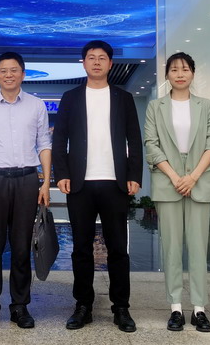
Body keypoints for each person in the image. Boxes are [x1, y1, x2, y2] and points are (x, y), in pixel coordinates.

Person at [52, 40, 143, 333]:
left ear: (110, 64)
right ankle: (83, 306)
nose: (96, 62)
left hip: (115, 182)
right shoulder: (71, 97)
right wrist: (61, 173)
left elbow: (134, 138)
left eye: (102, 58)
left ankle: (121, 307)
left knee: (117, 248)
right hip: (80, 183)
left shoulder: (123, 98)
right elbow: (59, 138)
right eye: (91, 57)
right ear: (84, 63)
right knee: (80, 248)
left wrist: (134, 174)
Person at [0, 51, 52, 330]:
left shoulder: (36, 106)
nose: (8, 75)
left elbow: (44, 144)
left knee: (21, 247)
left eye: (14, 70)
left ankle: (20, 307)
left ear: (23, 74)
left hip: (27, 180)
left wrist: (45, 182)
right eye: (3, 70)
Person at [144, 52, 210, 332]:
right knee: (171, 248)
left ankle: (199, 309)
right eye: (174, 69)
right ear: (167, 75)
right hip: (168, 182)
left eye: (185, 69)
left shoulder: (205, 105)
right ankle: (175, 307)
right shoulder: (156, 106)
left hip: (200, 180)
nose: (179, 74)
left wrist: (193, 176)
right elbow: (151, 144)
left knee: (199, 248)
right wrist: (177, 177)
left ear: (193, 73)